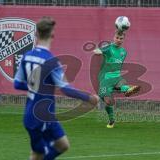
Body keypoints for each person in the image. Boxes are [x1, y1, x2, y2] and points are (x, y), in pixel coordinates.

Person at [14, 17, 98, 160]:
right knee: (38, 154)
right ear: (52, 35)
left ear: (36, 34)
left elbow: (17, 84)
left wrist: (36, 86)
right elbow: (66, 89)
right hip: (41, 116)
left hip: (35, 113)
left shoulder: (27, 56)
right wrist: (89, 98)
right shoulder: (51, 62)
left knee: (62, 145)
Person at [93, 30, 140, 128]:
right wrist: (98, 51)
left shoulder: (124, 52)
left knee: (121, 84)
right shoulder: (109, 48)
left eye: (121, 38)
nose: (118, 40)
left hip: (117, 77)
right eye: (117, 38)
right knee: (108, 101)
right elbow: (97, 51)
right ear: (114, 38)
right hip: (105, 78)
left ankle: (125, 89)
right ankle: (112, 120)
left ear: (123, 39)